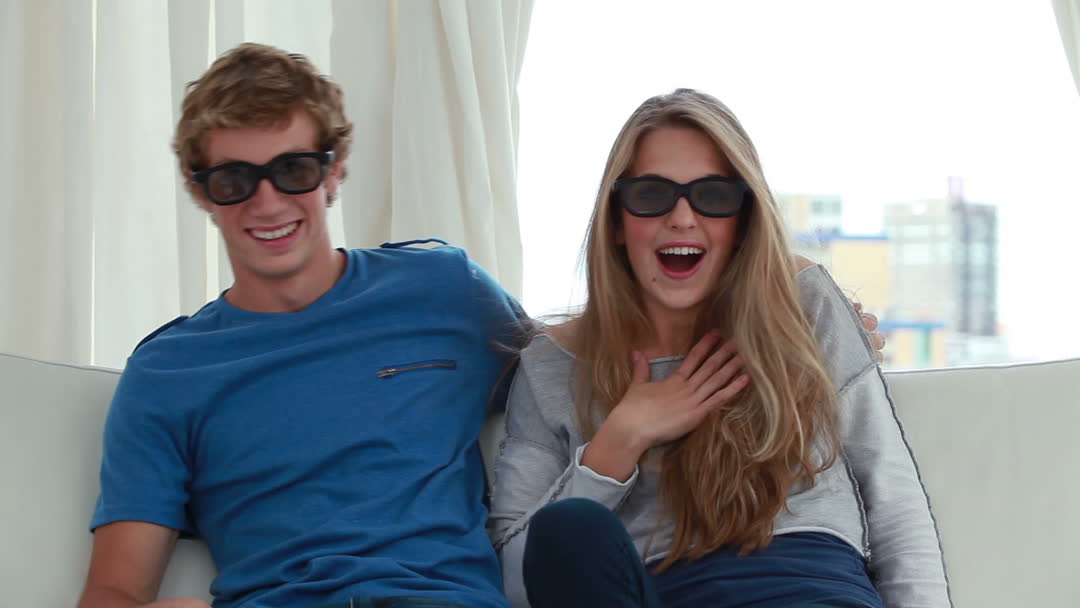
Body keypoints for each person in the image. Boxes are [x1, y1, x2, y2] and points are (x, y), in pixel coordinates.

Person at [77, 43, 529, 608]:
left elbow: (579, 383)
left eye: (293, 170)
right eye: (234, 180)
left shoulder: (447, 289)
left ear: (333, 170)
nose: (267, 204)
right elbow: (113, 593)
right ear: (199, 190)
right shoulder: (166, 373)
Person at [488, 89, 949, 608]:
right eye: (651, 194)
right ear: (617, 221)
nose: (683, 217)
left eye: (713, 195)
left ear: (743, 220)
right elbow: (518, 578)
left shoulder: (802, 303)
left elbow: (893, 498)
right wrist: (618, 442)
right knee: (568, 528)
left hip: (810, 590)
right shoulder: (552, 362)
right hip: (652, 593)